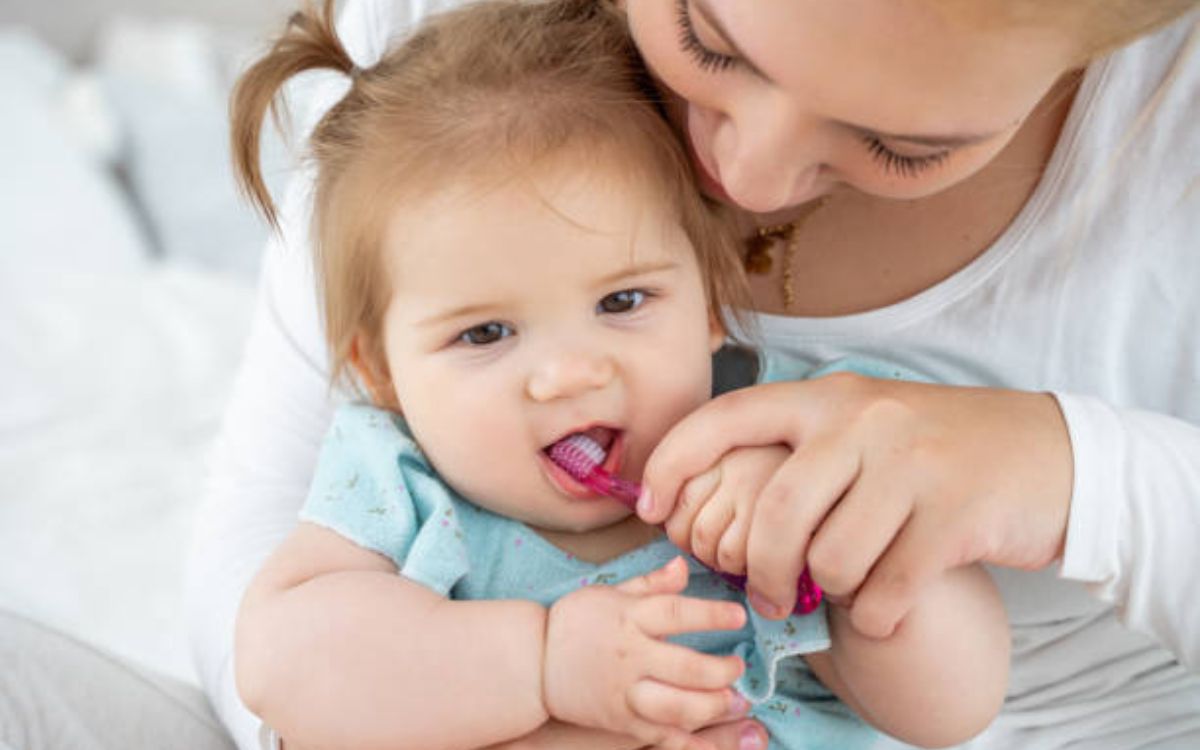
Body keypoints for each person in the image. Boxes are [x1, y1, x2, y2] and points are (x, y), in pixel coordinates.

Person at [187, 0, 1200, 748]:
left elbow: (956, 708)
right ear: (374, 369)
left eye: (903, 145)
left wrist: (855, 572)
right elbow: (279, 661)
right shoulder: (399, 472)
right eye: (709, 40)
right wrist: (542, 676)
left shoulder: (780, 432)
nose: (747, 183)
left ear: (711, 309)